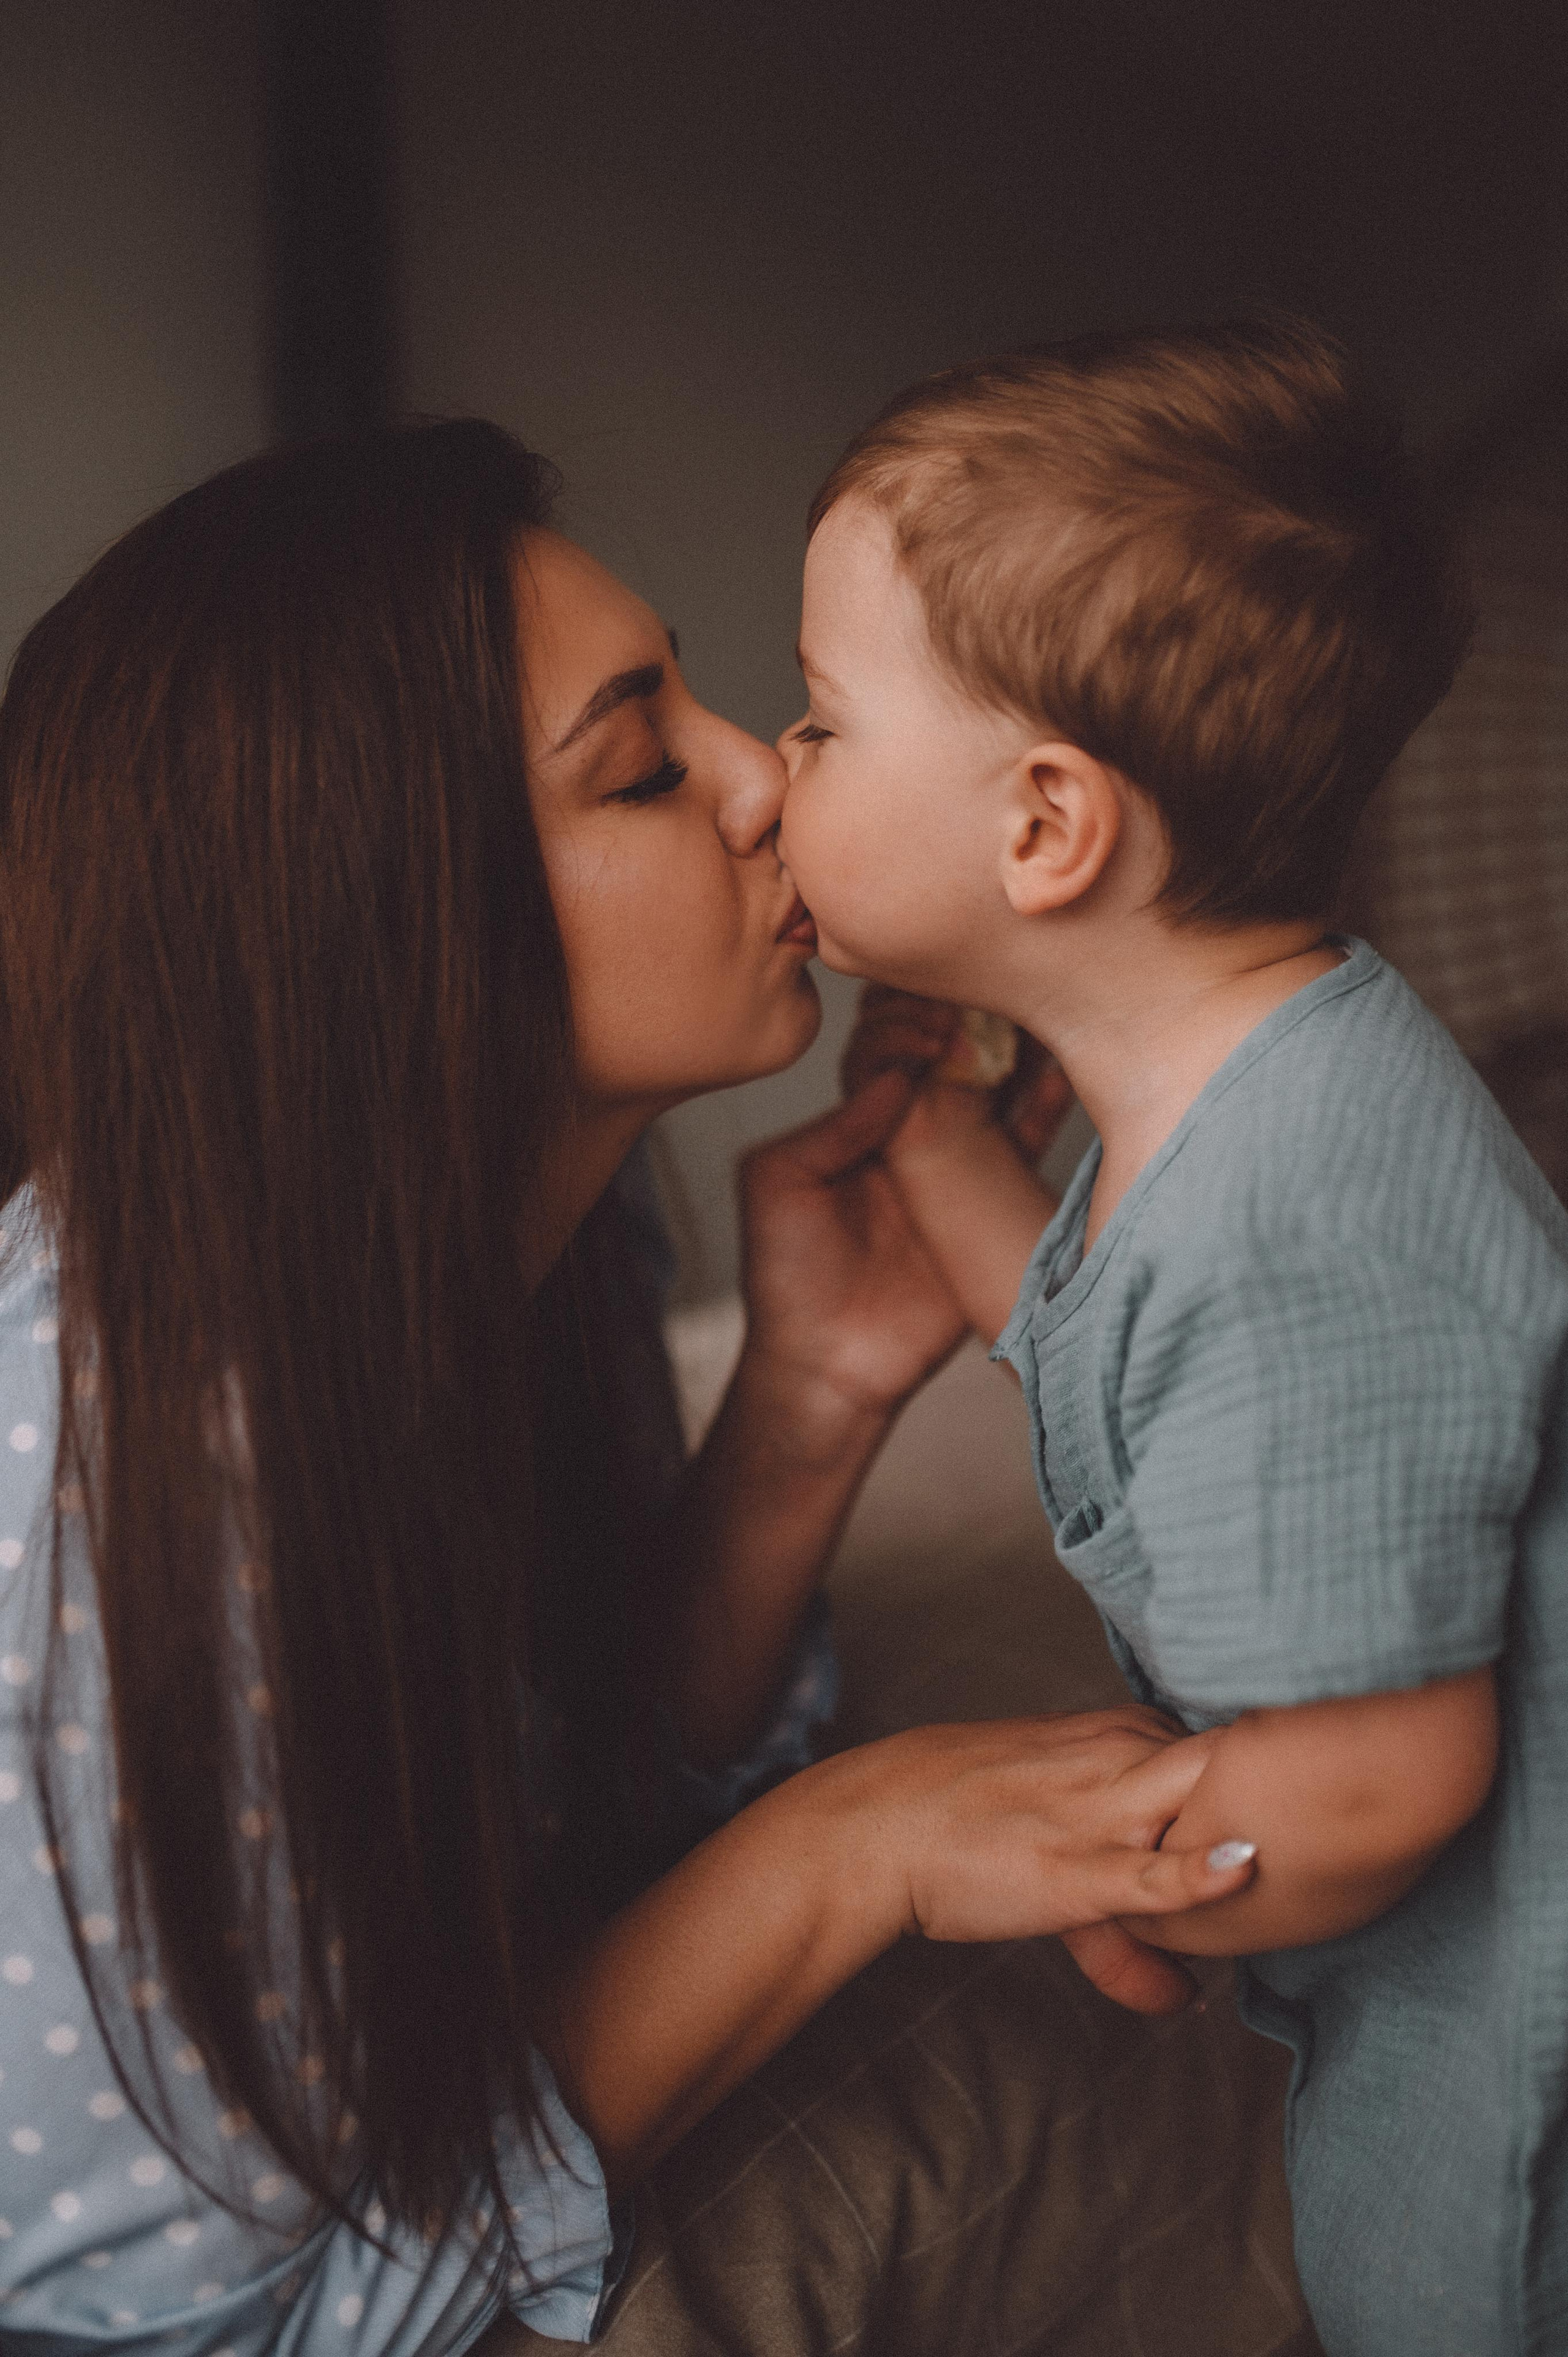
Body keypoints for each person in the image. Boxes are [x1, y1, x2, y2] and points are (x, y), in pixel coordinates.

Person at [0, 422, 1261, 2353]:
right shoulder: (127, 1488)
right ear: (388, 926)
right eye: (644, 767)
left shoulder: (558, 1237)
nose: (769, 777)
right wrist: (855, 1850)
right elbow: (240, 2317)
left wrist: (808, 1405)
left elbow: (557, 1803)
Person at [776, 319, 1568, 2355]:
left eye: (820, 720)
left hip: (1512, 2079)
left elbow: (1387, 1781)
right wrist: (942, 1150)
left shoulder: (1302, 1222)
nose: (776, 771)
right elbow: (1120, 1347)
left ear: (1045, 827)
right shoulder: (1252, 1077)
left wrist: (1139, 1874)